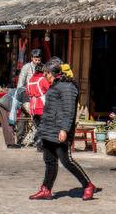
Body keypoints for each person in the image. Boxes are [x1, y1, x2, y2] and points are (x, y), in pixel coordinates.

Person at [30, 59, 96, 201]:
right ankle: (46, 189)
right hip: (48, 129)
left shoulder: (68, 87)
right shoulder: (55, 85)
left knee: (67, 161)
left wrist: (64, 129)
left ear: (49, 73)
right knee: (49, 160)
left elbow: (69, 110)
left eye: (45, 74)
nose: (44, 76)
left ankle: (88, 185)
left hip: (60, 130)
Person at [26, 62, 50, 137]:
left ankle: (38, 142)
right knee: (44, 126)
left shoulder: (30, 80)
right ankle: (41, 143)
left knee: (37, 126)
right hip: (41, 105)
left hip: (33, 106)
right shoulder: (42, 79)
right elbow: (49, 89)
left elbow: (27, 92)